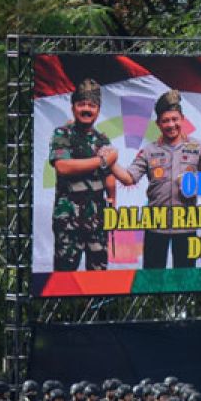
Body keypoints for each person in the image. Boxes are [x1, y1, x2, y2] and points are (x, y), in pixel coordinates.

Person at [111, 90, 201, 270]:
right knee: (152, 278)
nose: (171, 124)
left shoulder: (199, 147)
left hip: (186, 225)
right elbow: (129, 178)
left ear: (182, 119)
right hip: (155, 226)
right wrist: (110, 163)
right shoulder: (149, 151)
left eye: (175, 119)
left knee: (185, 278)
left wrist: (193, 183)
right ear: (158, 124)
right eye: (165, 120)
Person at [47, 78, 115, 271]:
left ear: (98, 110)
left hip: (97, 220)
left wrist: (113, 205)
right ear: (73, 107)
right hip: (68, 220)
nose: (86, 109)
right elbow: (63, 167)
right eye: (81, 104)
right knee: (63, 280)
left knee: (98, 279)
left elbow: (109, 176)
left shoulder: (102, 139)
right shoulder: (62, 134)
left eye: (92, 105)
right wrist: (100, 161)